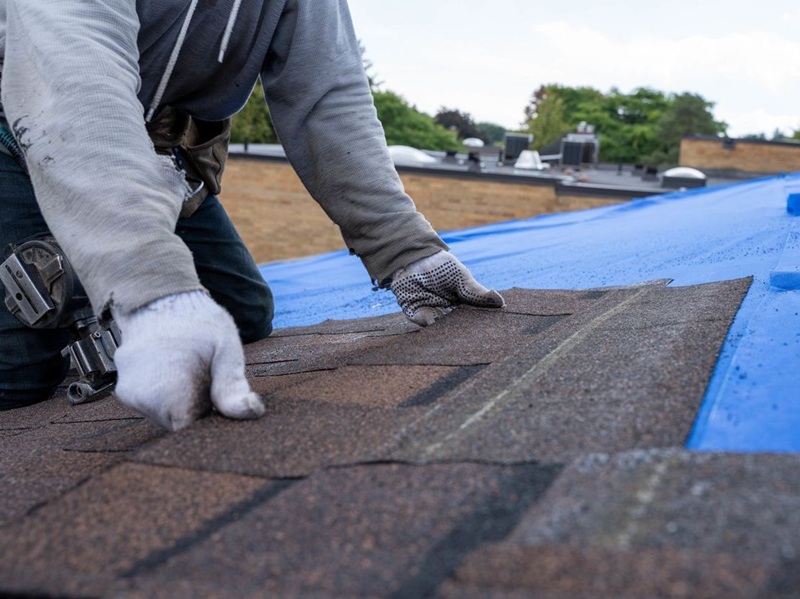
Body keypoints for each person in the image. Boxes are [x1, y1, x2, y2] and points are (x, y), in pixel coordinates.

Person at [0, 1, 505, 430]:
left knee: (241, 314)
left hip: (154, 153)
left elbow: (325, 93)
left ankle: (91, 299)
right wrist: (149, 292)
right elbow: (73, 76)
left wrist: (406, 252)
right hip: (28, 135)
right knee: (17, 377)